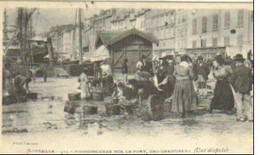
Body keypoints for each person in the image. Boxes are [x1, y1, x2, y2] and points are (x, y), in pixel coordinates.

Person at [230, 54, 253, 122]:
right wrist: (249, 87)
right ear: (242, 61)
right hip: (247, 89)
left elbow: (231, 80)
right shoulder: (248, 69)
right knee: (248, 103)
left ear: (237, 62)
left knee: (239, 103)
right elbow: (251, 79)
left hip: (238, 89)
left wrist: (235, 88)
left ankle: (240, 117)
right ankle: (250, 117)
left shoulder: (235, 70)